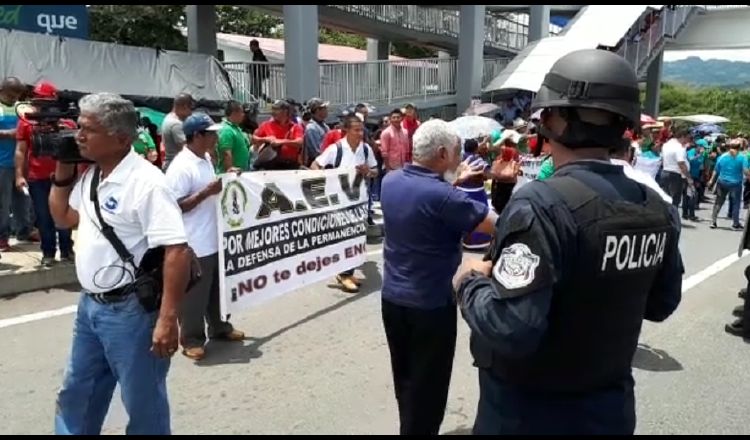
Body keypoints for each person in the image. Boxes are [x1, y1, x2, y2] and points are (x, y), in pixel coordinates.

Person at [453, 49, 683, 435]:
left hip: (528, 413)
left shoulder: (542, 202)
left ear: (558, 122)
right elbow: (662, 303)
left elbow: (512, 328)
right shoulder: (655, 206)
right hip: (609, 410)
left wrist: (469, 282)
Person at [49, 93, 192, 435]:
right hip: (91, 308)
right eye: (79, 128)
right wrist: (62, 168)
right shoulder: (92, 175)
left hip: (131, 312)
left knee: (142, 401)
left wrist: (167, 319)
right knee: (77, 391)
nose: (78, 136)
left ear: (121, 139)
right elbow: (63, 218)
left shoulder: (146, 183)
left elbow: (177, 251)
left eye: (88, 130)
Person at [380, 119, 497, 435]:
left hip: (392, 299)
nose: (460, 158)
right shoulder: (446, 198)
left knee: (405, 379)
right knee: (429, 391)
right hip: (430, 305)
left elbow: (425, 203)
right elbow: (500, 224)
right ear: (444, 153)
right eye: (458, 151)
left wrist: (453, 184)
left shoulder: (390, 181)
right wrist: (505, 184)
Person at [166, 113, 245, 360]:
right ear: (197, 136)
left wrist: (224, 176)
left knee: (217, 289)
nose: (216, 137)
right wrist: (206, 192)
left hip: (213, 236)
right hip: (194, 242)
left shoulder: (206, 158)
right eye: (211, 133)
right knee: (195, 295)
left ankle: (220, 327)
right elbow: (175, 205)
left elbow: (211, 187)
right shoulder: (181, 167)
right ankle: (191, 339)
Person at [311, 114, 377, 293]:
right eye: (356, 130)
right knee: (345, 236)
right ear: (346, 130)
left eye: (361, 129)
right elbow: (315, 165)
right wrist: (325, 180)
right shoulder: (336, 149)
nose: (360, 133)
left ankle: (346, 272)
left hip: (359, 202)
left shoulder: (365, 149)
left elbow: (375, 171)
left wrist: (368, 171)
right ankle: (345, 273)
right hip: (340, 203)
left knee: (356, 237)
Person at [14, 81, 75, 266]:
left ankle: (66, 250)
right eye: (38, 101)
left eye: (44, 101)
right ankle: (48, 252)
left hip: (62, 178)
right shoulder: (26, 122)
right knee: (43, 217)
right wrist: (19, 175)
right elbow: (21, 150)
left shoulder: (68, 123)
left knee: (63, 214)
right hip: (37, 177)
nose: (40, 105)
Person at [0, 76, 33, 251]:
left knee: (23, 199)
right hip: (2, 162)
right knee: (3, 203)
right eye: (11, 93)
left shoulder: (21, 107)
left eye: (17, 94)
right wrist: (10, 133)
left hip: (21, 161)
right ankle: (2, 237)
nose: (14, 97)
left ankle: (23, 231)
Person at [457, 138, 492, 250]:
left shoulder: (460, 159)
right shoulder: (478, 160)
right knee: (479, 217)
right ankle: (477, 243)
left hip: (460, 191)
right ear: (476, 148)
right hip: (476, 193)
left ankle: (464, 241)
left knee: (463, 217)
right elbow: (488, 174)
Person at [252, 100, 304, 170]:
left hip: (290, 165)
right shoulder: (266, 125)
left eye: (276, 109)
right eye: (272, 109)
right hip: (270, 165)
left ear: (285, 111)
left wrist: (281, 141)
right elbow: (254, 139)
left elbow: (299, 142)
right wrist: (265, 139)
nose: (273, 112)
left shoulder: (295, 127)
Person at [709, 140, 748, 230]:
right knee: (735, 203)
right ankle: (735, 223)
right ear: (739, 148)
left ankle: (713, 221)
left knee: (718, 202)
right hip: (736, 183)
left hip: (722, 182)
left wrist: (711, 180)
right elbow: (745, 171)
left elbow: (716, 170)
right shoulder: (742, 157)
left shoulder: (723, 156)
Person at [659, 127, 693, 210]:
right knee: (675, 200)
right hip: (675, 175)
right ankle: (673, 219)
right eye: (687, 138)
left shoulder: (666, 145)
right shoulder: (679, 147)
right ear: (682, 136)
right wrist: (688, 178)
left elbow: (663, 159)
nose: (687, 141)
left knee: (665, 198)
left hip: (665, 172)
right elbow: (681, 163)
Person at [216, 100, 252, 173]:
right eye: (241, 112)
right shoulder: (227, 130)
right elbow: (226, 152)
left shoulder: (236, 128)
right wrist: (230, 168)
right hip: (231, 176)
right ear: (234, 113)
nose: (243, 115)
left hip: (240, 173)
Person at [161, 93, 194, 171]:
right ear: (185, 107)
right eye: (191, 109)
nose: (191, 113)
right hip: (175, 166)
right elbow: (186, 148)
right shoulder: (176, 124)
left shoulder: (168, 117)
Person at [380, 109, 410, 173]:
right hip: (391, 168)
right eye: (394, 117)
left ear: (401, 118)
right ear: (390, 119)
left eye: (398, 117)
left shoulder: (405, 132)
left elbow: (407, 150)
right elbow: (384, 153)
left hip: (403, 167)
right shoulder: (386, 133)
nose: (396, 119)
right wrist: (388, 170)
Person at [302, 98, 330, 167]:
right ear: (318, 110)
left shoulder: (324, 126)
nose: (327, 110)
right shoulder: (312, 128)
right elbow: (317, 152)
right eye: (324, 108)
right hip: (317, 165)